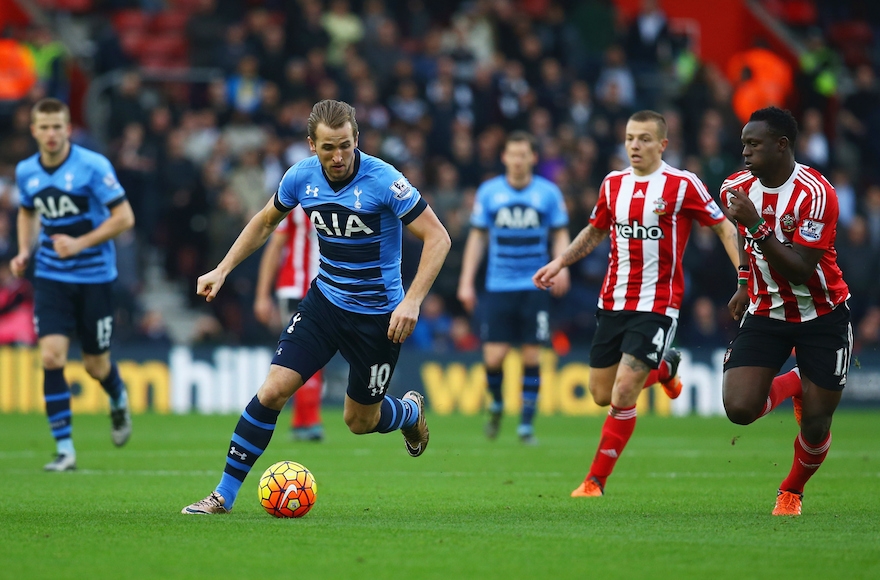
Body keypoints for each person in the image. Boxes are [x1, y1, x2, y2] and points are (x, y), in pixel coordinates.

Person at [182, 99, 450, 515]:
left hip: (379, 317)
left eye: (345, 145)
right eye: (328, 148)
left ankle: (409, 411)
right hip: (324, 302)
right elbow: (265, 222)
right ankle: (222, 496)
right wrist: (222, 269)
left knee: (359, 421)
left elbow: (438, 237)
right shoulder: (300, 178)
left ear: (356, 139)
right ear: (311, 145)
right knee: (272, 390)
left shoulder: (385, 181)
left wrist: (412, 301)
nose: (338, 156)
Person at [533, 110, 740, 497]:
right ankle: (665, 369)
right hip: (612, 301)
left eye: (644, 139)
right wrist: (560, 261)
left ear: (663, 144)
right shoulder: (613, 184)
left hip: (658, 303)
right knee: (601, 394)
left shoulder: (683, 185)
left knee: (624, 391)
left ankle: (595, 481)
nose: (634, 146)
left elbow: (724, 227)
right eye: (629, 138)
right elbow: (595, 232)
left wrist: (744, 277)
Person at [721, 106, 851, 516]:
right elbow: (744, 239)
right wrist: (743, 282)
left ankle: (791, 490)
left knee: (815, 424)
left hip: (822, 314)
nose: (745, 152)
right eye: (743, 144)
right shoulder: (736, 187)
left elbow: (800, 270)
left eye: (753, 144)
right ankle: (795, 382)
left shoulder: (816, 194)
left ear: (782, 146)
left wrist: (758, 224)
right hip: (766, 311)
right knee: (739, 409)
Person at [11, 98, 136, 472]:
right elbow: (28, 211)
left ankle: (117, 398)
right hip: (51, 276)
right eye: (44, 127)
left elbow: (124, 217)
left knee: (96, 366)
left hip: (95, 276)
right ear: (34, 130)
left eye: (57, 126)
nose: (51, 134)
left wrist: (79, 244)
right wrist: (22, 251)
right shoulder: (26, 171)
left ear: (68, 128)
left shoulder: (93, 166)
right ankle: (65, 449)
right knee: (50, 357)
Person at [457, 131, 571, 444]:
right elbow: (477, 238)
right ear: (504, 157)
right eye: (513, 154)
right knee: (493, 357)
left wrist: (562, 265)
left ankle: (526, 424)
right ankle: (495, 403)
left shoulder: (548, 194)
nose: (518, 161)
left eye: (524, 155)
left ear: (533, 158)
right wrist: (467, 281)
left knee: (532, 355)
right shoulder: (489, 192)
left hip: (535, 285)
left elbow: (560, 232)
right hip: (499, 285)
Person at [253, 208, 325, 442]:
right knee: (304, 352)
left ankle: (304, 420)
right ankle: (308, 421)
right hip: (296, 289)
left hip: (324, 290)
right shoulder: (297, 204)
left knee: (316, 353)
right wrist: (262, 295)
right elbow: (275, 245)